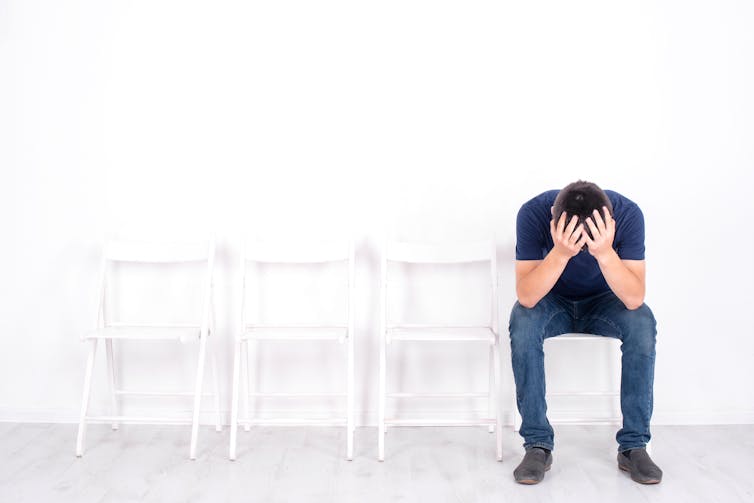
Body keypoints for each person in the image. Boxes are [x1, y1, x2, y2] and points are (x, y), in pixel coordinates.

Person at [509, 180, 663, 485]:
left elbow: (633, 298)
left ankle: (634, 446)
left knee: (642, 322)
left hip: (605, 301)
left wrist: (604, 252)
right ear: (555, 218)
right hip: (551, 299)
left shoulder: (629, 214)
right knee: (523, 321)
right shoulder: (533, 213)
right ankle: (538, 445)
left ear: (608, 222)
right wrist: (561, 253)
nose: (581, 245)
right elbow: (527, 296)